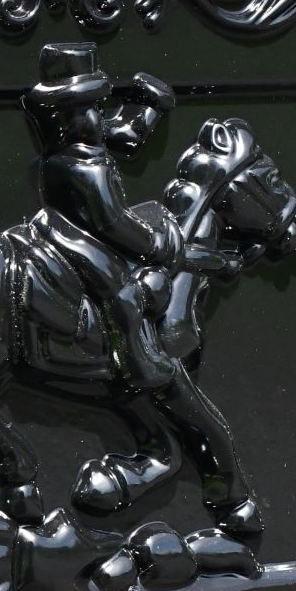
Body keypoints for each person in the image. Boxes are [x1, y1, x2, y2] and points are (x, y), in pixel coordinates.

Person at [21, 42, 184, 390]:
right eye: (95, 108)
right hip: (72, 235)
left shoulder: (72, 147)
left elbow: (122, 135)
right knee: (120, 288)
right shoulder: (86, 168)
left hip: (55, 226)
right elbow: (112, 223)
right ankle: (135, 361)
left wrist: (148, 107)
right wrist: (155, 244)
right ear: (73, 118)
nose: (101, 116)